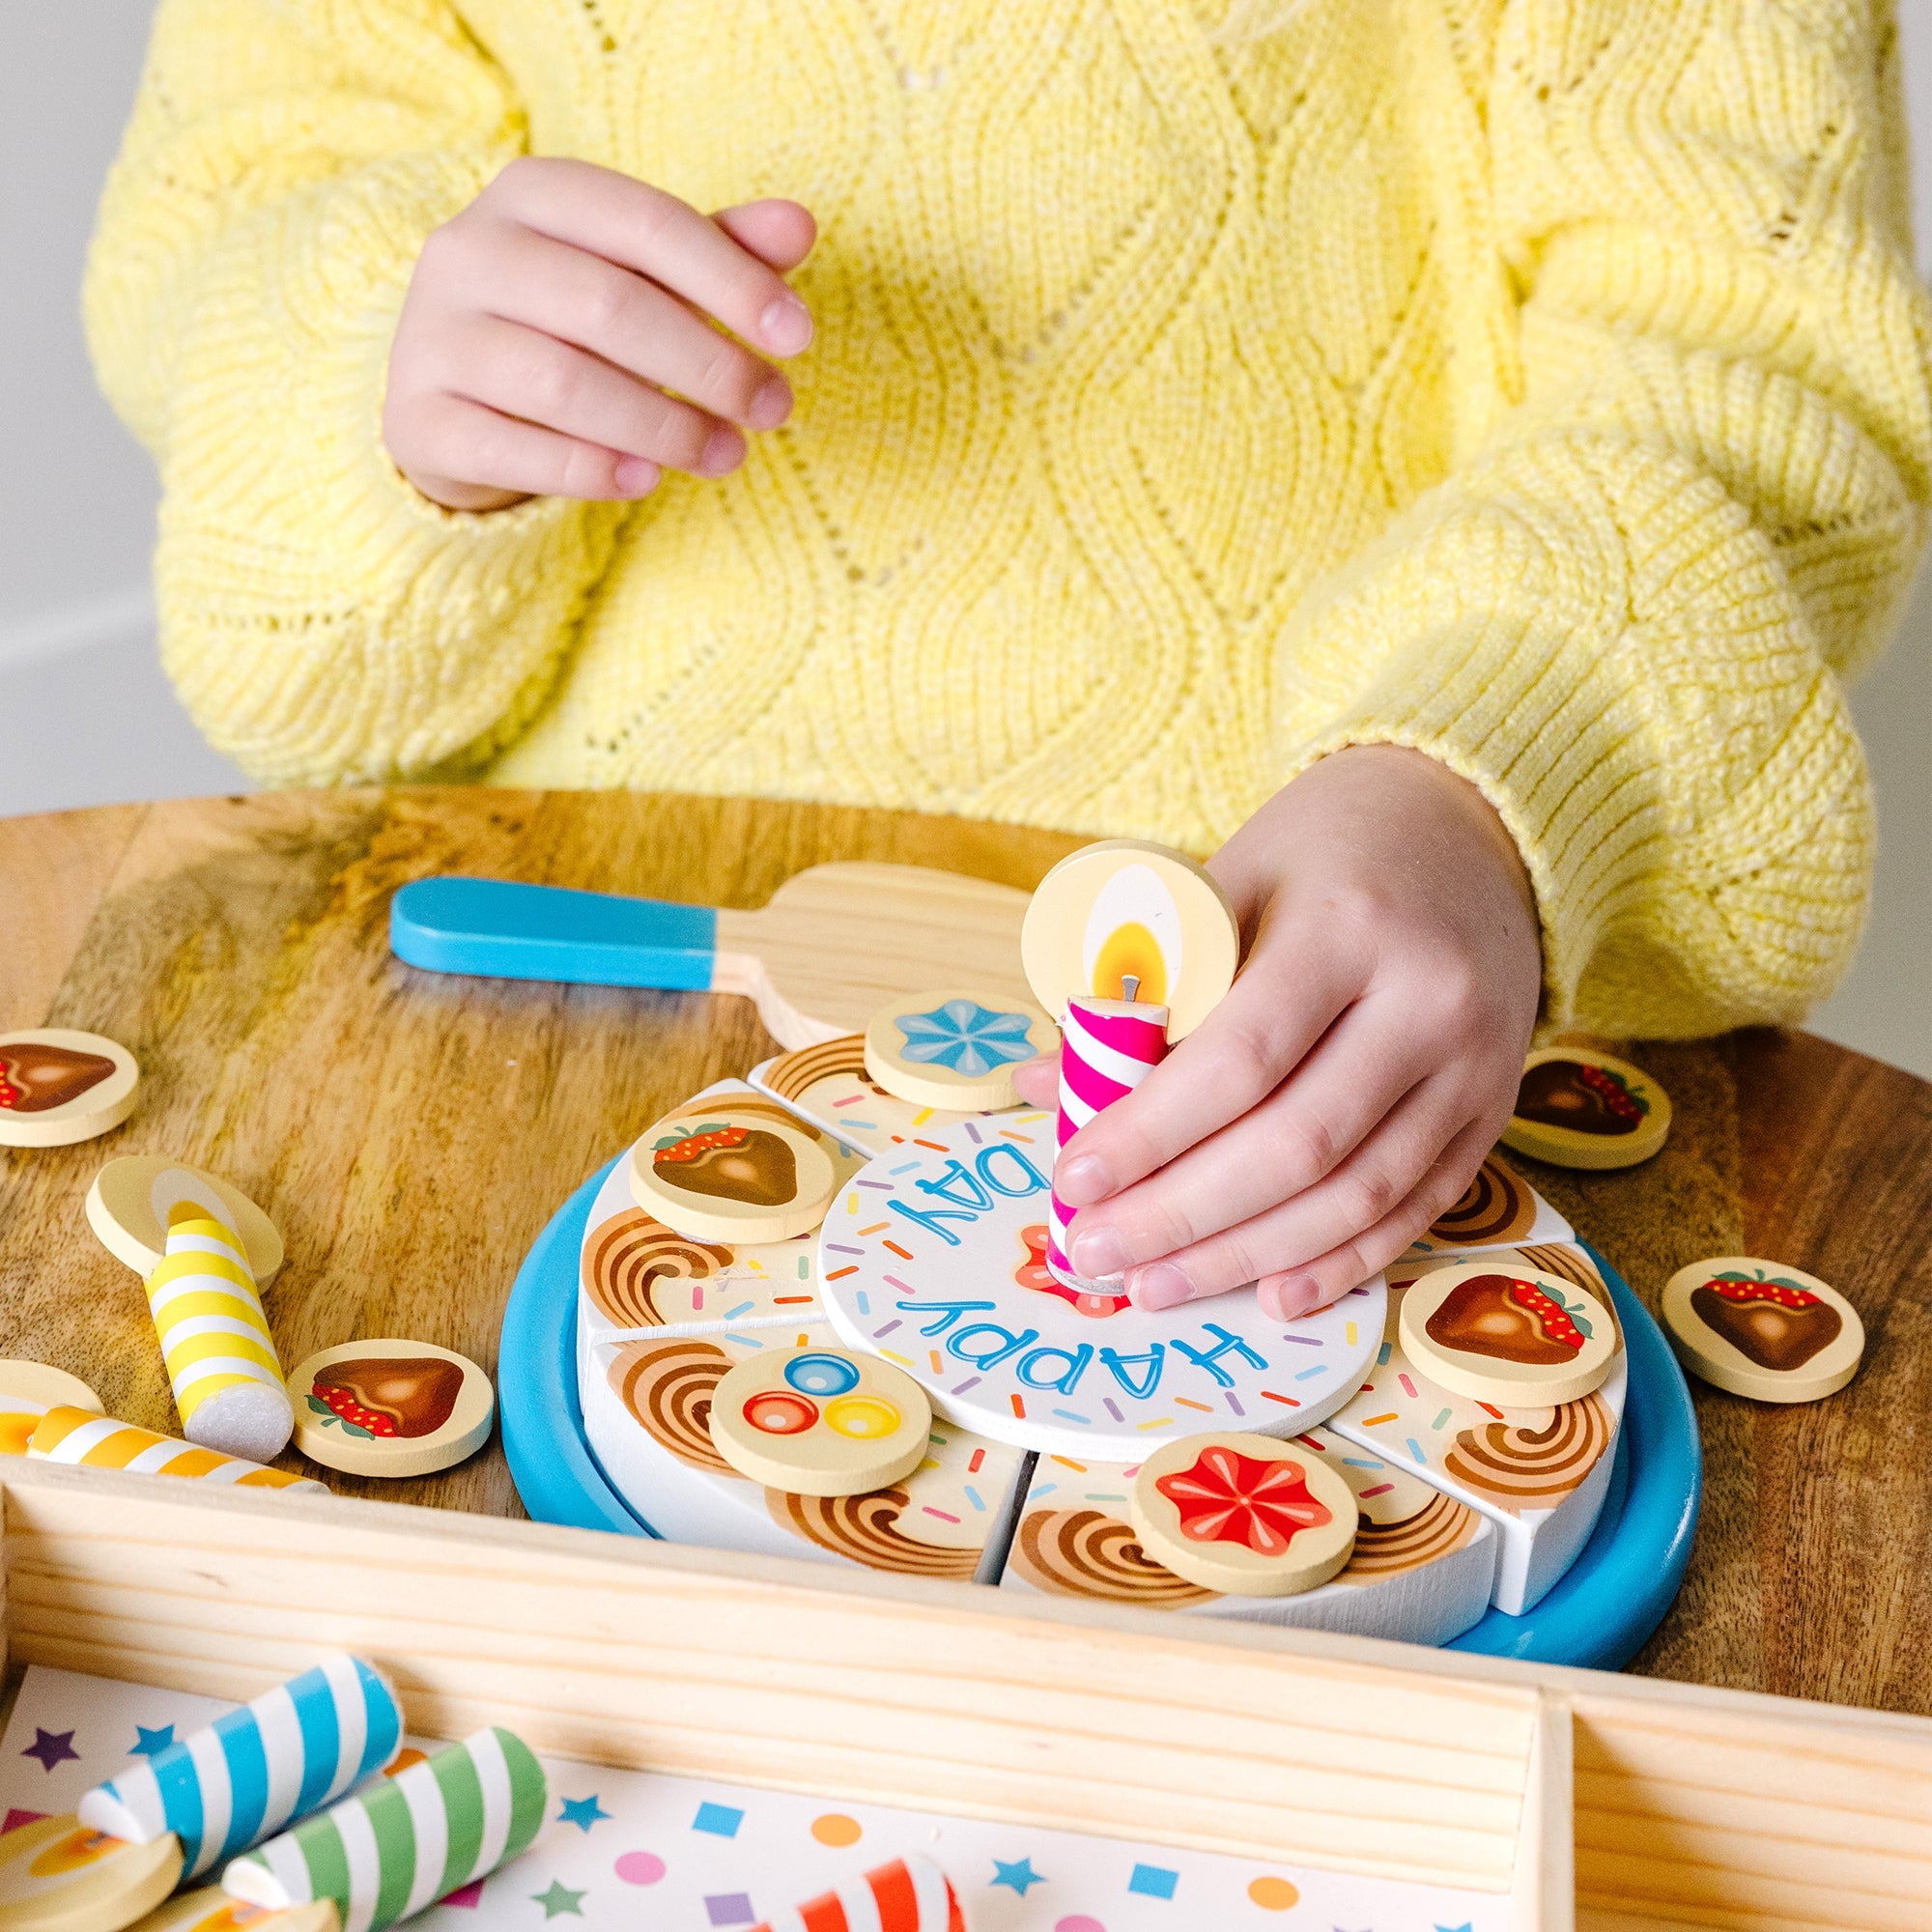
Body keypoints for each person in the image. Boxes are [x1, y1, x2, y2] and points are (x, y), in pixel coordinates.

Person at [87, 1, 1931, 1322]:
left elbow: (1744, 356)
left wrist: (1492, 759)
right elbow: (240, 208)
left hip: (1310, 1054)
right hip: (586, 997)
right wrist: (397, 377)